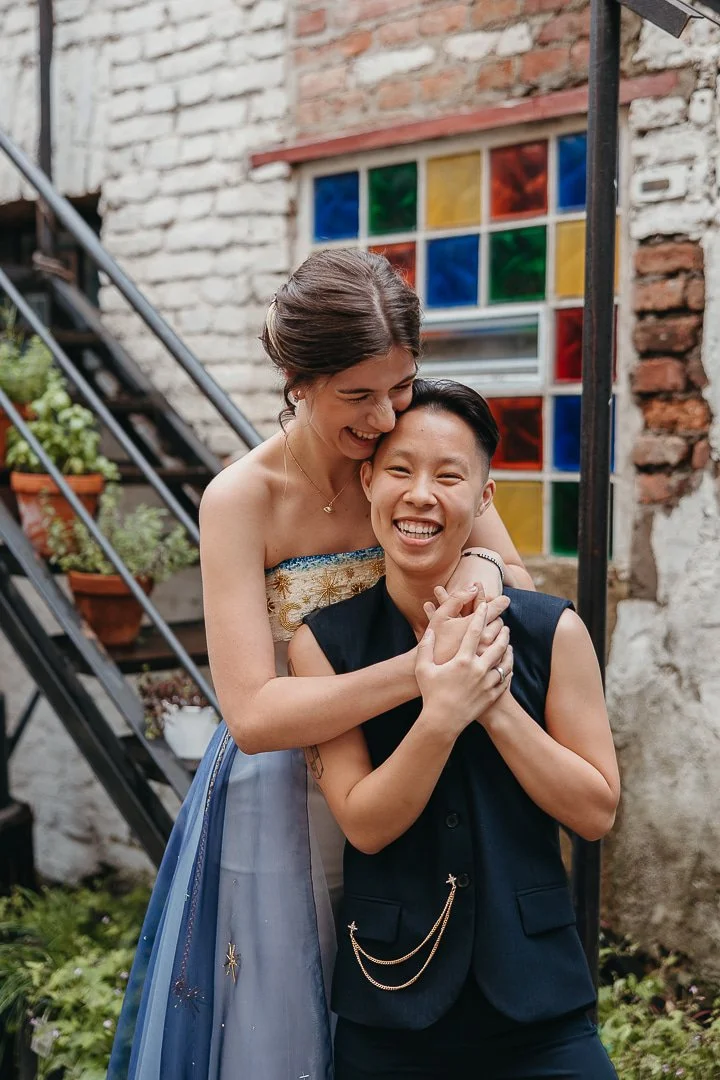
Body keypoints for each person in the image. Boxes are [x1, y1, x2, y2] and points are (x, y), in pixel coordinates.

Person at [109, 251, 533, 1080]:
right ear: (298, 379)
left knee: (413, 1005)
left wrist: (478, 573)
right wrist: (424, 670)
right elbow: (254, 715)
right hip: (281, 802)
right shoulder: (242, 498)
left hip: (412, 767)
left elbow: (516, 580)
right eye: (358, 396)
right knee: (294, 1026)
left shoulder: (409, 450)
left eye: (401, 385)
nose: (384, 417)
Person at [290, 378, 621, 1080]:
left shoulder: (550, 630)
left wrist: (490, 699)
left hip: (540, 1005)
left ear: (484, 498)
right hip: (390, 1000)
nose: (421, 496)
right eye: (402, 471)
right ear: (369, 480)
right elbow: (366, 823)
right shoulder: (324, 647)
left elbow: (595, 811)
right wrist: (439, 714)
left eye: (449, 476)